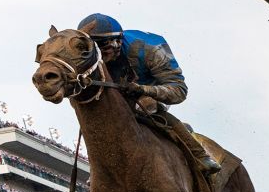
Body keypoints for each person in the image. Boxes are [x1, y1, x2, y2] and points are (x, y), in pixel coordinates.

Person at [78, 13, 220, 174]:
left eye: (101, 46)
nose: (98, 55)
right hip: (119, 91)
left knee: (146, 105)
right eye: (91, 48)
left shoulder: (149, 48)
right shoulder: (90, 57)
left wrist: (142, 89)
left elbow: (179, 90)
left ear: (117, 41)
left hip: (152, 88)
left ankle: (199, 155)